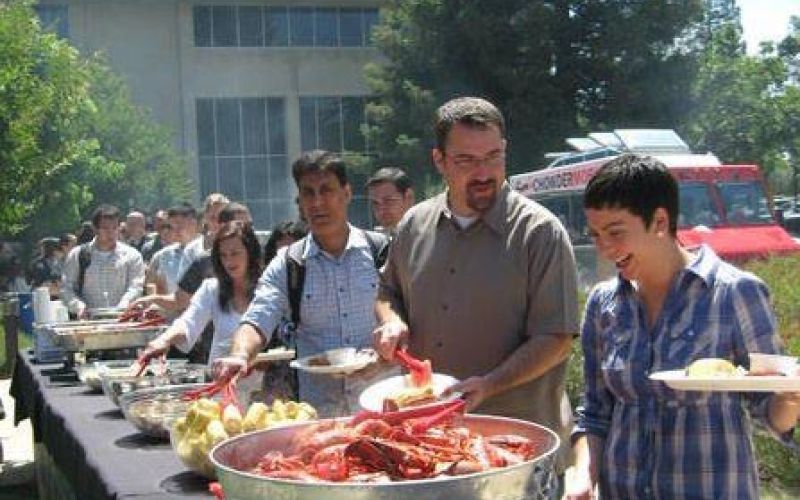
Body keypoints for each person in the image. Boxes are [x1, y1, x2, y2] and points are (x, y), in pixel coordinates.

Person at [566, 154, 800, 499]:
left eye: (615, 232)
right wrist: (583, 476)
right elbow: (595, 413)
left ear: (660, 221)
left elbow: (770, 409)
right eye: (596, 234)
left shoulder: (734, 292)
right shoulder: (604, 303)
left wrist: (791, 397)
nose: (604, 248)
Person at [372, 97, 579, 470]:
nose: (484, 173)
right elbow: (389, 292)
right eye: (466, 160)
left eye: (493, 157)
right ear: (439, 160)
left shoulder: (540, 233)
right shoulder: (414, 225)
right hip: (429, 450)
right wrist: (392, 321)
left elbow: (556, 339)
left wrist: (490, 384)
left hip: (519, 453)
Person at [213, 150, 394, 417]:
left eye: (326, 190)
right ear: (300, 201)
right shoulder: (288, 265)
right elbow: (257, 318)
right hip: (320, 417)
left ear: (346, 193)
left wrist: (386, 357)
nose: (317, 202)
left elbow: (414, 320)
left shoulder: (383, 252)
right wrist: (240, 355)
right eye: (308, 193)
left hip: (383, 407)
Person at [138, 221, 264, 398]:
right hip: (221, 388)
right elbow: (189, 321)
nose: (229, 261)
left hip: (264, 389)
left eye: (235, 253)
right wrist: (164, 340)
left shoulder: (268, 290)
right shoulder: (212, 289)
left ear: (250, 253)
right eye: (223, 255)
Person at [60, 204, 145, 318]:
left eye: (115, 228)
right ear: (95, 229)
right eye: (105, 228)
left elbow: (136, 286)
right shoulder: (77, 255)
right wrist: (78, 306)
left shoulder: (132, 256)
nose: (111, 233)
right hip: (88, 321)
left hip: (122, 319)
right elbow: (66, 288)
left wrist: (123, 306)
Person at [144, 203, 198, 296]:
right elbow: (150, 283)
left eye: (179, 225)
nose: (175, 230)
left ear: (193, 224)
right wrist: (154, 296)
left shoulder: (207, 252)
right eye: (171, 226)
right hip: (169, 303)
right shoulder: (162, 255)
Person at [365, 167, 415, 234]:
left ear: (408, 198)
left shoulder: (426, 235)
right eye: (375, 203)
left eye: (388, 201)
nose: (381, 210)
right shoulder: (373, 239)